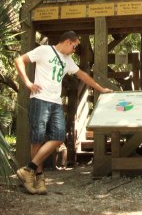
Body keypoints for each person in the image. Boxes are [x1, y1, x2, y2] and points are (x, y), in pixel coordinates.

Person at [15, 31, 113, 195]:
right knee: (37, 140)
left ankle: (28, 169)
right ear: (68, 42)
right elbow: (19, 60)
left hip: (56, 103)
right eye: (74, 47)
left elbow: (82, 75)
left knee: (59, 137)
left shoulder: (67, 60)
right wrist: (27, 83)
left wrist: (101, 89)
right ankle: (38, 179)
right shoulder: (44, 50)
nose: (74, 50)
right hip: (39, 99)